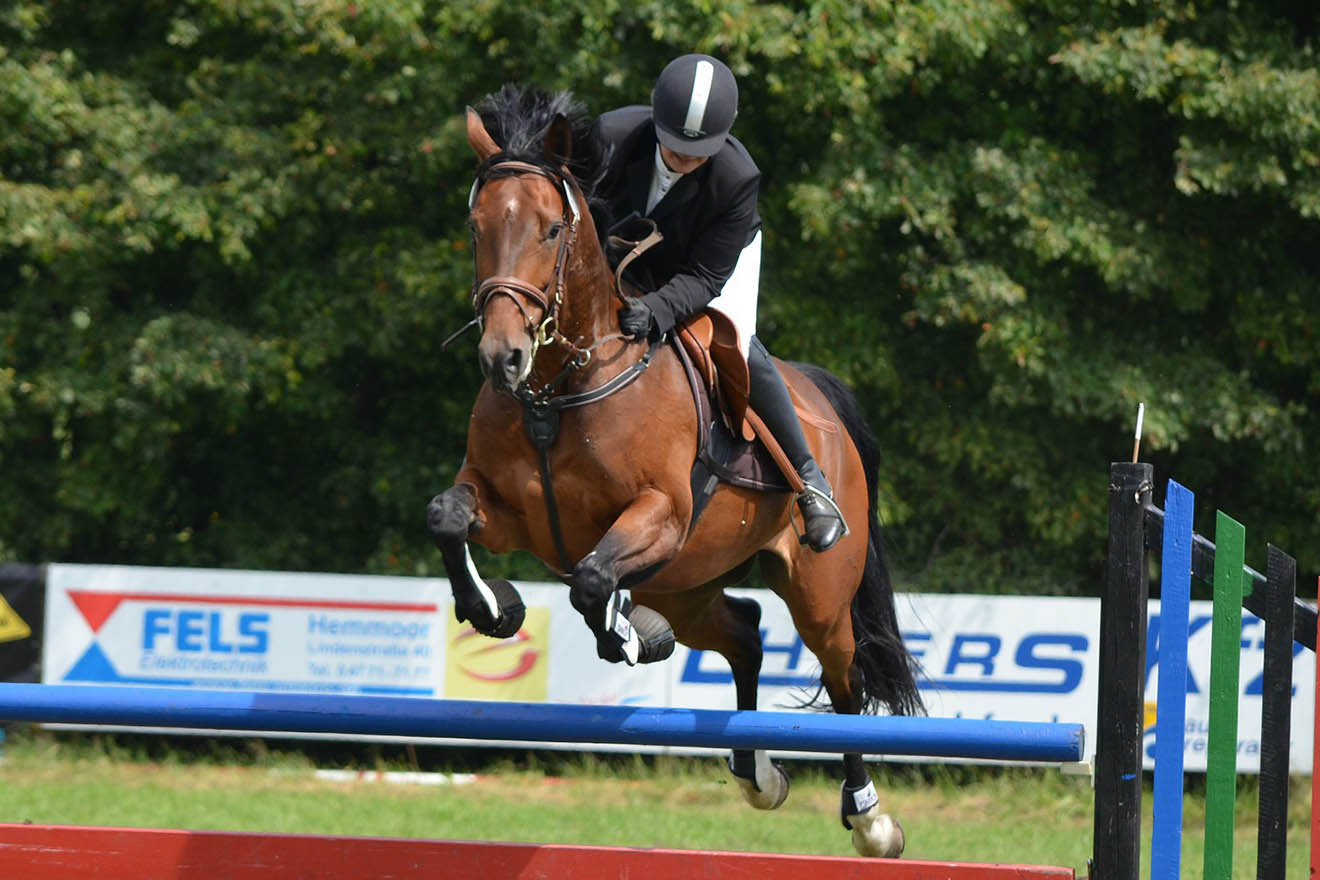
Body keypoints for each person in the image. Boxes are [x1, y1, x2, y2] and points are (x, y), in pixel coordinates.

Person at [591, 53, 847, 551]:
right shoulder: (608, 139)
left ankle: (812, 480)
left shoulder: (736, 177)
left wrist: (661, 310)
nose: (685, 159)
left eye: (698, 151)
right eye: (674, 147)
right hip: (623, 260)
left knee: (735, 341)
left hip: (707, 265)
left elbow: (707, 275)